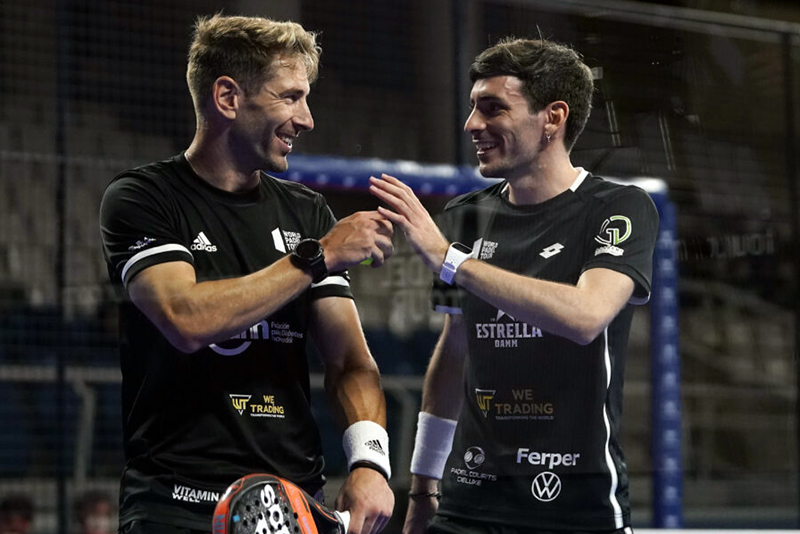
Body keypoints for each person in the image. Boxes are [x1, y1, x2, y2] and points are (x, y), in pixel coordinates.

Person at [99, 14, 394, 534]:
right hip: (176, 505)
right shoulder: (143, 198)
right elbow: (185, 318)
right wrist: (316, 257)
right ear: (228, 98)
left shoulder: (306, 211)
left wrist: (370, 462)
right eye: (290, 97)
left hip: (295, 503)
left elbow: (350, 360)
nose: (307, 119)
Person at [369, 37, 659, 534]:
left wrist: (450, 260)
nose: (472, 125)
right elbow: (453, 354)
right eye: (472, 108)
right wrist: (422, 487)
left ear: (553, 118)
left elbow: (585, 316)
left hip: (576, 507)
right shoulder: (466, 217)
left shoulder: (619, 208)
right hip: (467, 503)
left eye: (493, 108)